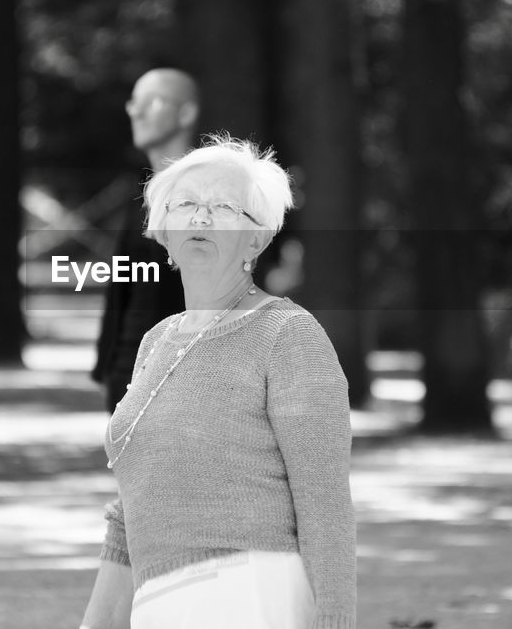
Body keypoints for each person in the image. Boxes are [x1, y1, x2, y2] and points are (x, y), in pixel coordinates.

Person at [79, 137, 356, 629]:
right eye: (185, 204)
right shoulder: (156, 342)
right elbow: (133, 506)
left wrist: (334, 621)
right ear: (162, 230)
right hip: (160, 602)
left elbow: (325, 506)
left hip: (251, 596)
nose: (201, 218)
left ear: (258, 238)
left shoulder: (288, 336)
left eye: (223, 207)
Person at [92, 68, 198, 413]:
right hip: (128, 385)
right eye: (132, 103)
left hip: (178, 390)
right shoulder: (141, 198)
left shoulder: (206, 195)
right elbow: (125, 288)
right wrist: (108, 367)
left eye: (150, 102)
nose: (136, 112)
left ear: (186, 113)